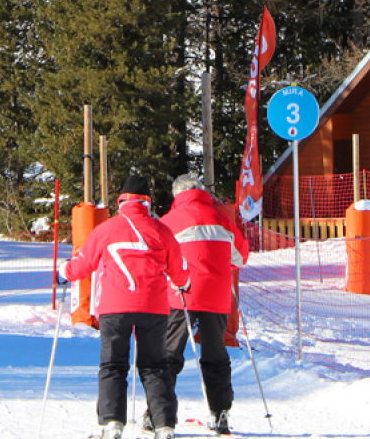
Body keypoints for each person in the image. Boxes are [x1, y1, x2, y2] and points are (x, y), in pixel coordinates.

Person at [59, 173, 190, 439]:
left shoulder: (107, 228)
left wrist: (64, 271)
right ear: (147, 203)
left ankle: (112, 424)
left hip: (114, 307)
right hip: (153, 307)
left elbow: (83, 264)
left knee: (113, 365)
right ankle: (164, 426)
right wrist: (183, 284)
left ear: (121, 201)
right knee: (155, 366)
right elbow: (180, 271)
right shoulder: (161, 230)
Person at [159, 174, 250, 436]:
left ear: (178, 195)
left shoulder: (170, 221)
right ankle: (220, 412)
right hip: (217, 295)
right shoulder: (222, 220)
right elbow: (240, 257)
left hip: (181, 294)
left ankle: (159, 413)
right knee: (215, 354)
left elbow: (158, 256)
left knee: (168, 354)